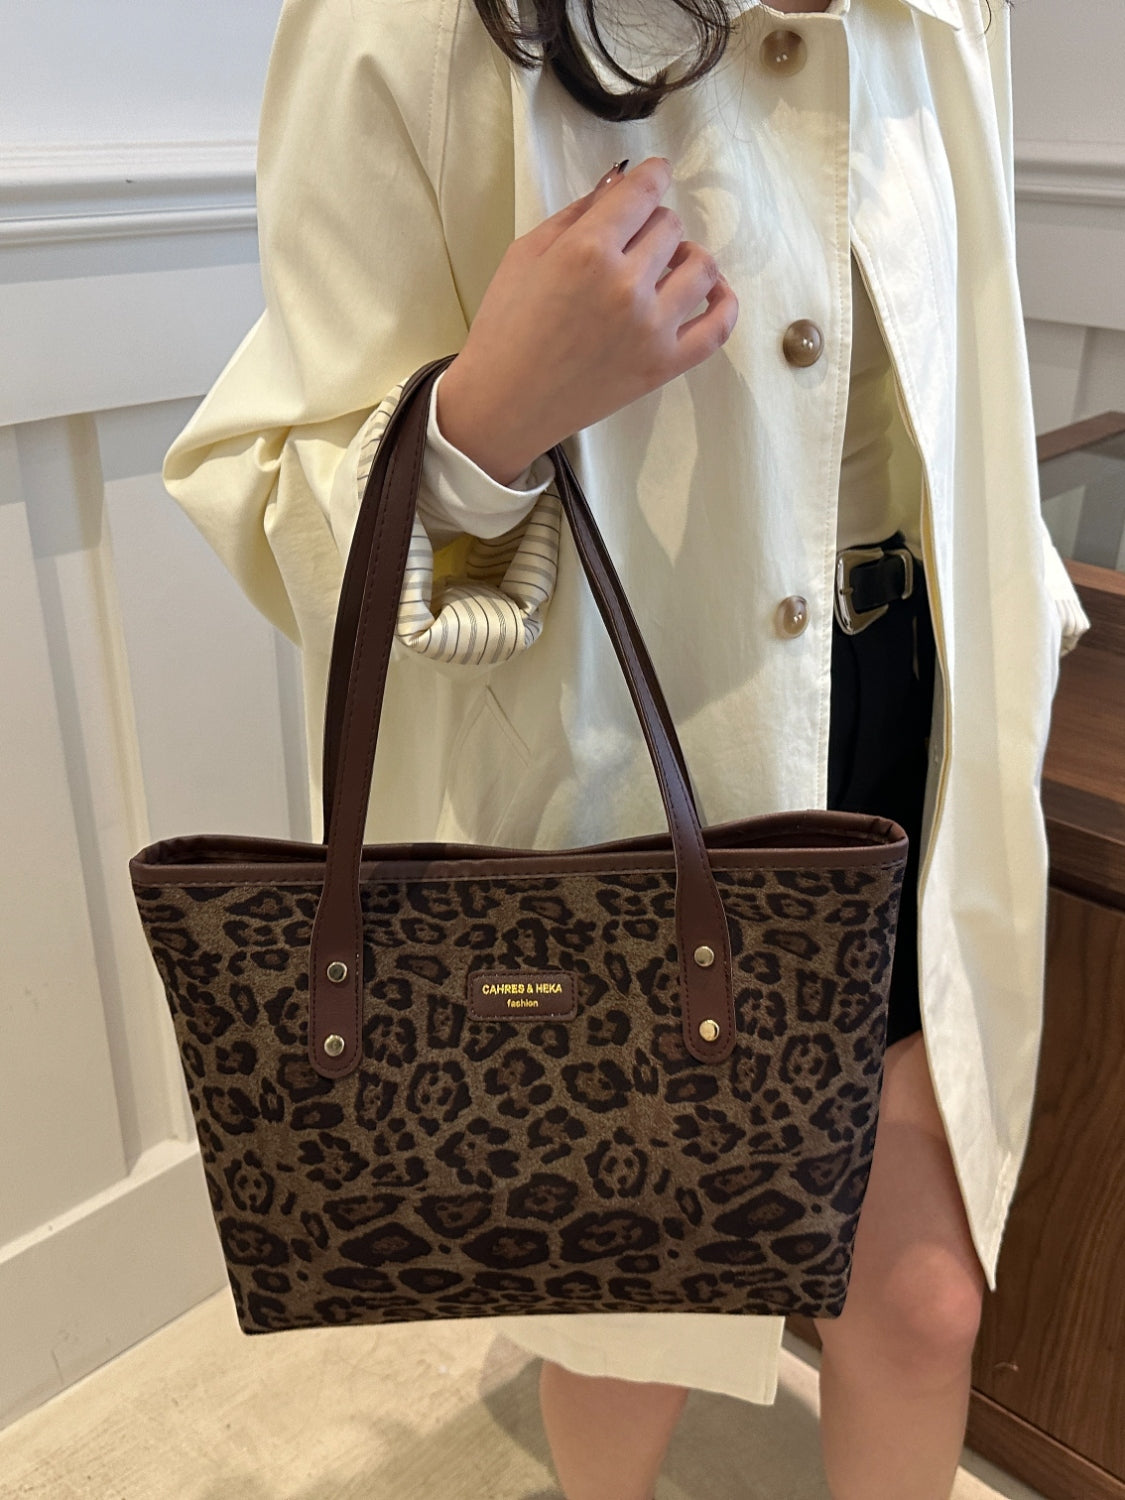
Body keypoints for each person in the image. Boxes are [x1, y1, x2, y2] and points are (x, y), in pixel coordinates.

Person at [162, 0, 1090, 1493]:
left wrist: (1015, 600)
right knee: (626, 1310)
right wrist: (484, 419)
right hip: (620, 741)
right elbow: (266, 480)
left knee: (919, 1303)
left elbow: (963, 334)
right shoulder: (397, 24)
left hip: (909, 710)